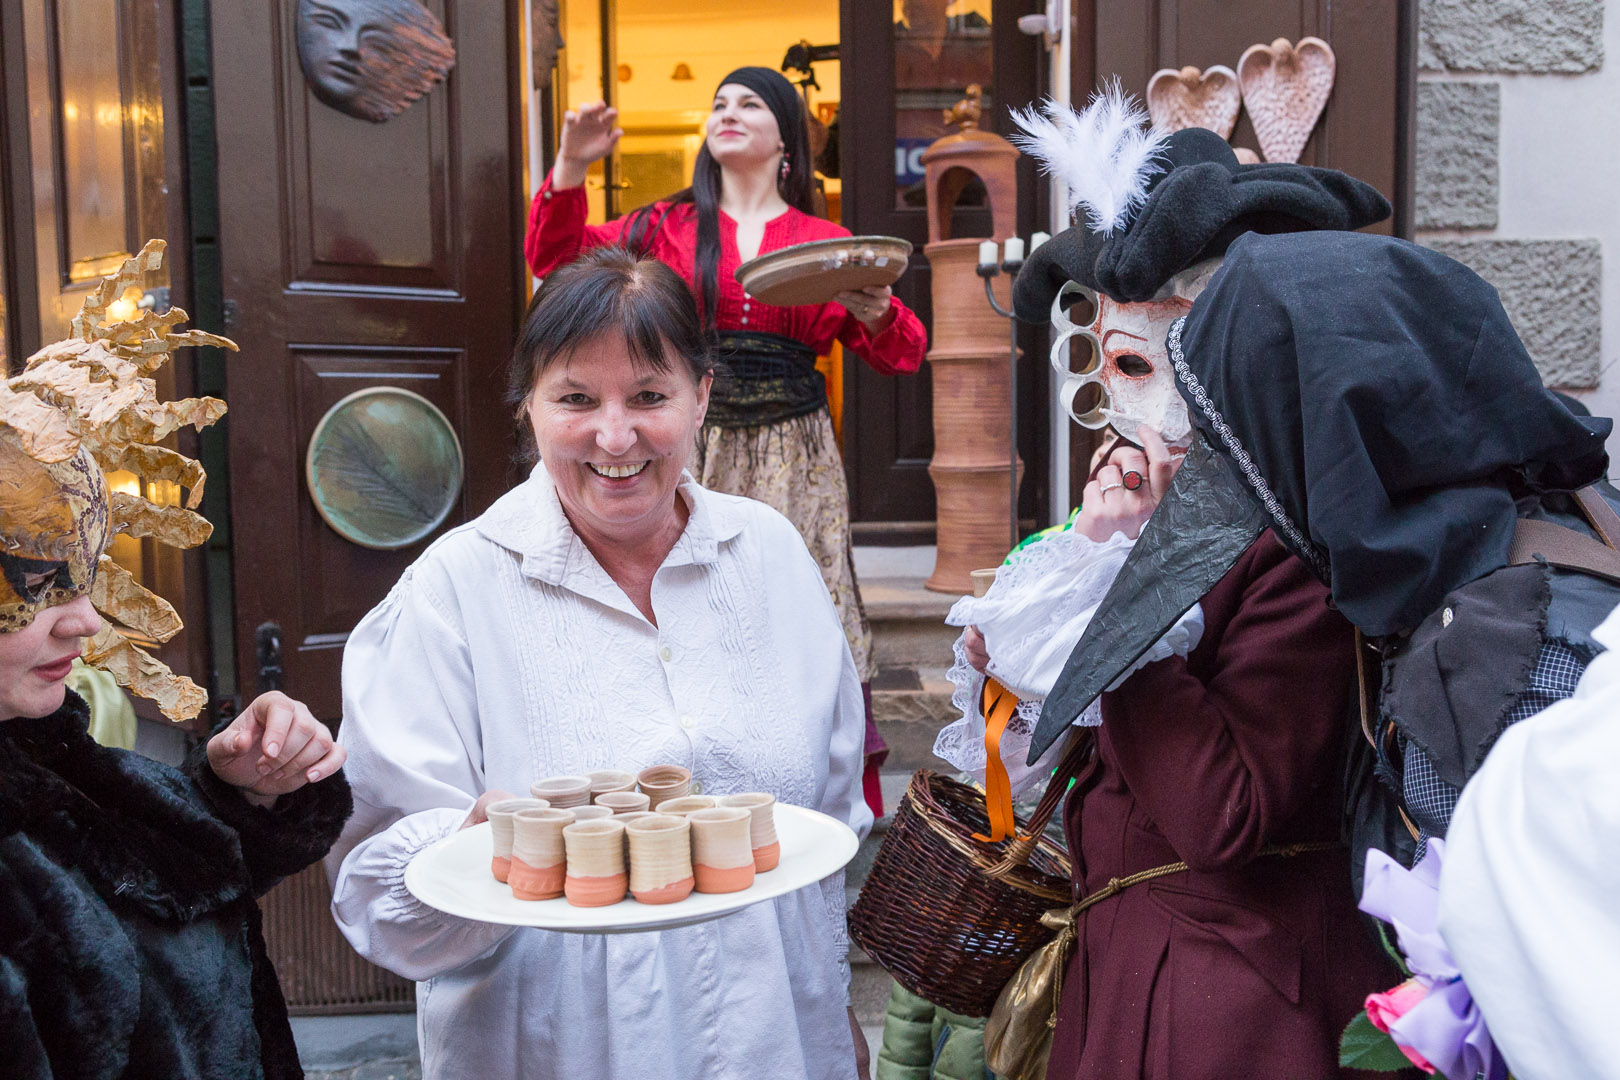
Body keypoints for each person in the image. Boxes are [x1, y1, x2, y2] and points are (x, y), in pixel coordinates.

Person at [934, 93, 1402, 1079]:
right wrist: (1023, 662)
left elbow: (1221, 814)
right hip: (1126, 966)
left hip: (1236, 998)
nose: (1137, 414)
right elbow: (1029, 776)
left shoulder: (1297, 534)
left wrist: (1114, 601)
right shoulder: (1132, 519)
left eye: (1169, 364)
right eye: (1119, 370)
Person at [327, 247, 873, 1080]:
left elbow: (825, 819)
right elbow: (375, 886)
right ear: (529, 410)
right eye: (576, 399)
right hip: (558, 1049)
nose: (615, 437)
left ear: (702, 400)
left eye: (650, 396)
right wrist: (465, 851)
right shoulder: (454, 591)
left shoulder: (768, 555)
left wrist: (834, 1012)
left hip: (777, 1042)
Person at [526, 67, 929, 812]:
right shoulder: (660, 229)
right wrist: (573, 165)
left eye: (749, 103)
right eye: (718, 104)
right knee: (676, 603)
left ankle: (802, 788)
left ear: (786, 138)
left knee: (800, 608)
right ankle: (675, 778)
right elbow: (555, 263)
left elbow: (901, 351)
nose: (728, 112)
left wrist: (873, 311)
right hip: (685, 446)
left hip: (796, 454)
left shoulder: (828, 242)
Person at [0, 262, 352, 1080]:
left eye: (84, 575)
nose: (85, 618)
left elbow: (158, 888)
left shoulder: (50, 761)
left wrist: (245, 792)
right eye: (35, 582)